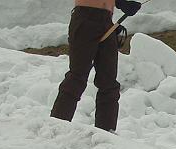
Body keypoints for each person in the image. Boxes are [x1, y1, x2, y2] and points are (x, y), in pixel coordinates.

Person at [50, 0, 142, 132]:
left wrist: (120, 3)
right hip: (85, 18)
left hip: (106, 21)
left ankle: (106, 134)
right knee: (77, 76)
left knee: (109, 83)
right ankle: (56, 128)